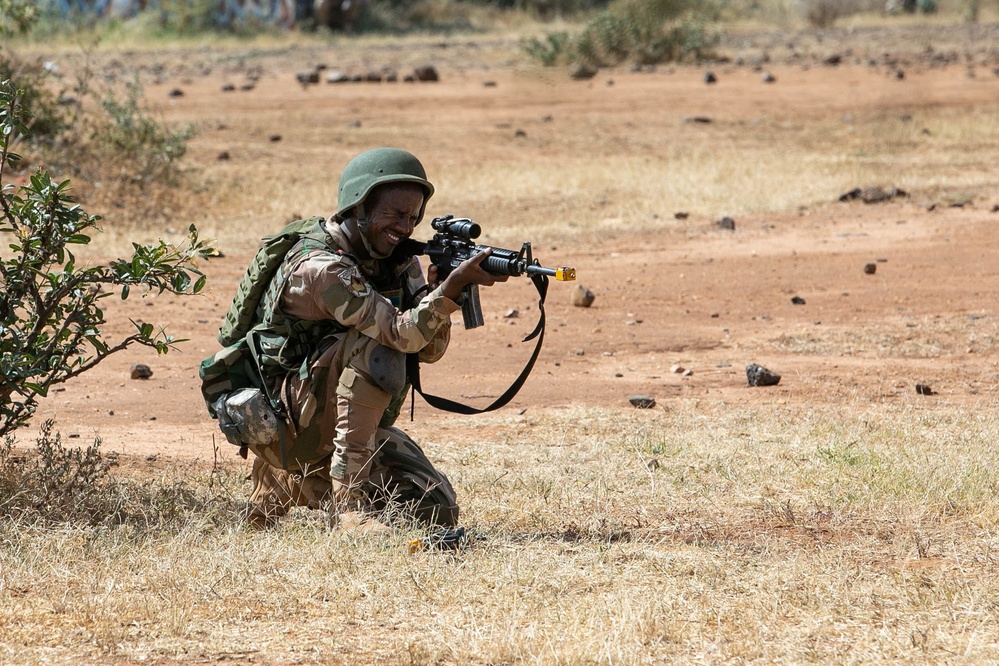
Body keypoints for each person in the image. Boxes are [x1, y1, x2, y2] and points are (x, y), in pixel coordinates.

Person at [241, 147, 506, 531]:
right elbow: (399, 335)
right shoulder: (322, 268)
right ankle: (349, 508)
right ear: (359, 206)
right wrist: (449, 290)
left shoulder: (396, 260)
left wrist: (434, 295)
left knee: (436, 510)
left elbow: (428, 349)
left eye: (413, 216)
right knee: (379, 345)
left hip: (337, 416)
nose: (406, 226)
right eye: (394, 214)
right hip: (287, 420)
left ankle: (295, 482)